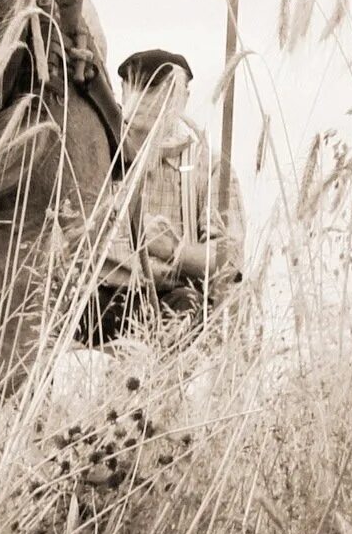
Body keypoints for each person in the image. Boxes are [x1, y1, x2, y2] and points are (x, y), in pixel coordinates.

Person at [94, 48, 245, 337]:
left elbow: (230, 259)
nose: (150, 100)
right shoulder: (99, 158)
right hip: (101, 299)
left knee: (186, 310)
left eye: (163, 90)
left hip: (172, 301)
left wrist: (176, 252)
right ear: (124, 91)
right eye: (141, 87)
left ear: (183, 98)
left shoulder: (208, 167)